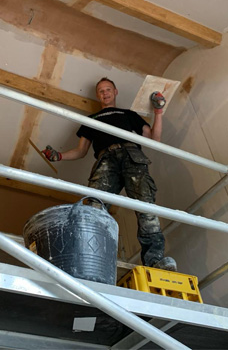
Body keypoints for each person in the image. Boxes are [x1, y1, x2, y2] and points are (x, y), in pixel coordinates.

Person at [42, 77, 176, 271]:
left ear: (115, 92)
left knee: (146, 207)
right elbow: (81, 151)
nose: (104, 93)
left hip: (132, 155)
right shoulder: (91, 120)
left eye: (108, 89)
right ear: (98, 95)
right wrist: (58, 156)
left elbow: (154, 139)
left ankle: (155, 262)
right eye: (101, 91)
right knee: (94, 207)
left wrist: (158, 111)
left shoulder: (128, 114)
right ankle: (90, 259)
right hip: (105, 159)